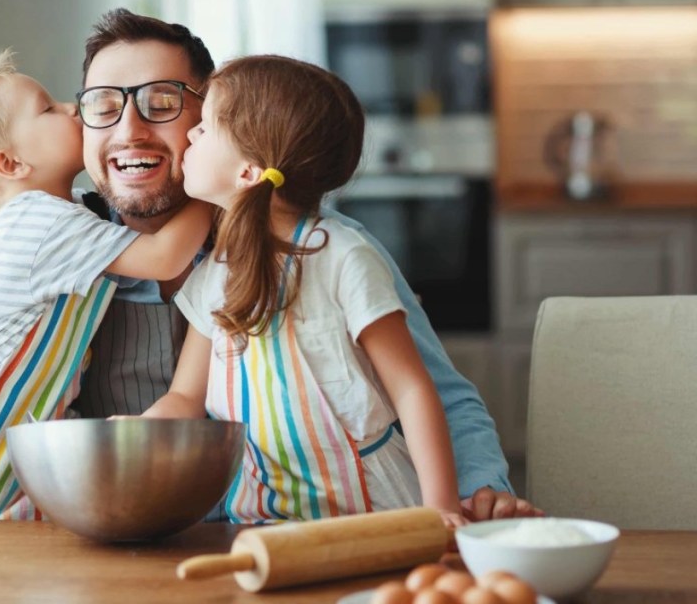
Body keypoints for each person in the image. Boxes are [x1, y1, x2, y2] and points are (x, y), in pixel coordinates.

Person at [0, 8, 541, 525]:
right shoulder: (70, 253)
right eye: (103, 107)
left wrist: (477, 492)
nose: (131, 129)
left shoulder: (326, 251)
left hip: (289, 534)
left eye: (164, 104)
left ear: (224, 127)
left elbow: (437, 394)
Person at [142, 55, 466, 527]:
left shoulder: (342, 257)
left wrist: (441, 509)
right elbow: (185, 398)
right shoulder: (215, 272)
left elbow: (413, 388)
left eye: (206, 127)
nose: (190, 133)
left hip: (374, 515)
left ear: (249, 172)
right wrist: (135, 433)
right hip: (261, 520)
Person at [0, 49, 211, 516]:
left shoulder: (69, 216)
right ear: (10, 163)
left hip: (13, 431)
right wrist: (217, 188)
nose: (71, 107)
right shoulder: (36, 222)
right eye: (47, 108)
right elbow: (166, 257)